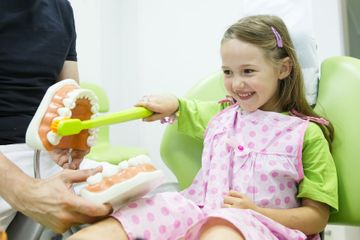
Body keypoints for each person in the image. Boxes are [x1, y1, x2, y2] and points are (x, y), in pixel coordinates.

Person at [69, 15, 338, 240]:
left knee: (221, 229)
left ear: (283, 69)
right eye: (228, 72)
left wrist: (254, 210)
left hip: (264, 227)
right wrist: (170, 102)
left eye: (248, 71)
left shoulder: (306, 134)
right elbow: (187, 109)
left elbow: (316, 218)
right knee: (142, 213)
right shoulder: (222, 115)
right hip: (200, 211)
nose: (236, 84)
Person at [0, 0, 111, 233]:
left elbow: (69, 94)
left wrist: (72, 139)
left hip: (45, 154)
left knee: (143, 204)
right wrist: (24, 191)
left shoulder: (60, 8)